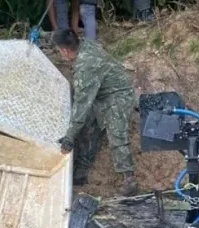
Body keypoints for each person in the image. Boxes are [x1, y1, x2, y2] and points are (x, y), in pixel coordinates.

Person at [53, 29, 138, 197]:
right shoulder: (84, 45)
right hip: (102, 94)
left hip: (118, 96)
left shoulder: (86, 66)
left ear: (64, 50)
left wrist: (69, 137)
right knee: (88, 125)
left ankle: (130, 181)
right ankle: (82, 171)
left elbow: (82, 104)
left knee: (116, 135)